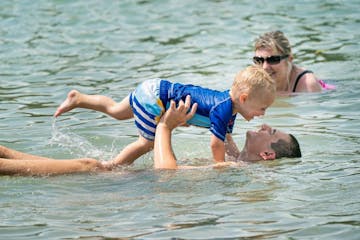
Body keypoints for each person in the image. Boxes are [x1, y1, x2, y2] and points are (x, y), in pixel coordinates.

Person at [0, 96, 301, 175]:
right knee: (93, 166)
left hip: (138, 187)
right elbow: (223, 125)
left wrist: (165, 127)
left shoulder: (233, 167)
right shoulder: (236, 158)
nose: (264, 126)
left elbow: (165, 173)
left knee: (90, 165)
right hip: (132, 182)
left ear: (268, 155)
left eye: (270, 131)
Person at [54, 65, 276, 166]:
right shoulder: (223, 108)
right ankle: (111, 167)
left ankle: (79, 99)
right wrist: (221, 166)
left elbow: (227, 140)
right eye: (262, 108)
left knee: (117, 111)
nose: (262, 114)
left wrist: (236, 158)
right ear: (244, 98)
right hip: (156, 99)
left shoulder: (231, 108)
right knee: (147, 143)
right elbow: (216, 145)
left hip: (154, 88)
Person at [253, 30, 335, 93]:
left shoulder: (308, 84)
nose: (264, 67)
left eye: (273, 60)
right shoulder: (252, 82)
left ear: (289, 59)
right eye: (259, 60)